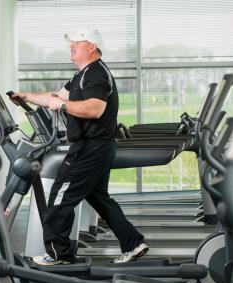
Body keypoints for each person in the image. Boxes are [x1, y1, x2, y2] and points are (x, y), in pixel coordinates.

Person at [11, 29, 147, 266]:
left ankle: (58, 255)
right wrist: (27, 96)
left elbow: (95, 108)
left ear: (92, 46)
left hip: (89, 148)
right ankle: (133, 242)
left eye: (77, 42)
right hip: (97, 146)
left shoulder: (94, 74)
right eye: (70, 43)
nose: (72, 46)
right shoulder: (81, 75)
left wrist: (62, 106)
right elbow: (54, 97)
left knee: (58, 198)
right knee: (99, 198)